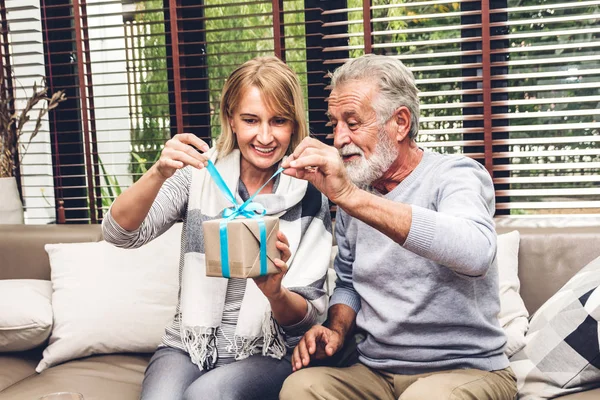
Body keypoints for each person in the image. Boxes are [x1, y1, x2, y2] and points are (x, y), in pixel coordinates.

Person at [279, 54, 517, 400]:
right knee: (300, 389)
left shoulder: (456, 174)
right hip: (376, 372)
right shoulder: (356, 194)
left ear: (400, 123)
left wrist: (348, 195)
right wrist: (335, 329)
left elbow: (476, 252)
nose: (339, 138)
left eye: (353, 122)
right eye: (334, 124)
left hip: (465, 369)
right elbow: (348, 283)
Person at [102, 56, 332, 400]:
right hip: (189, 345)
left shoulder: (310, 194)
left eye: (279, 121)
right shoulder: (199, 176)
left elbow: (306, 322)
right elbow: (119, 234)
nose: (265, 136)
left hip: (267, 353)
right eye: (251, 120)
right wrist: (158, 172)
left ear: (294, 124)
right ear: (231, 120)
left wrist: (275, 291)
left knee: (207, 395)